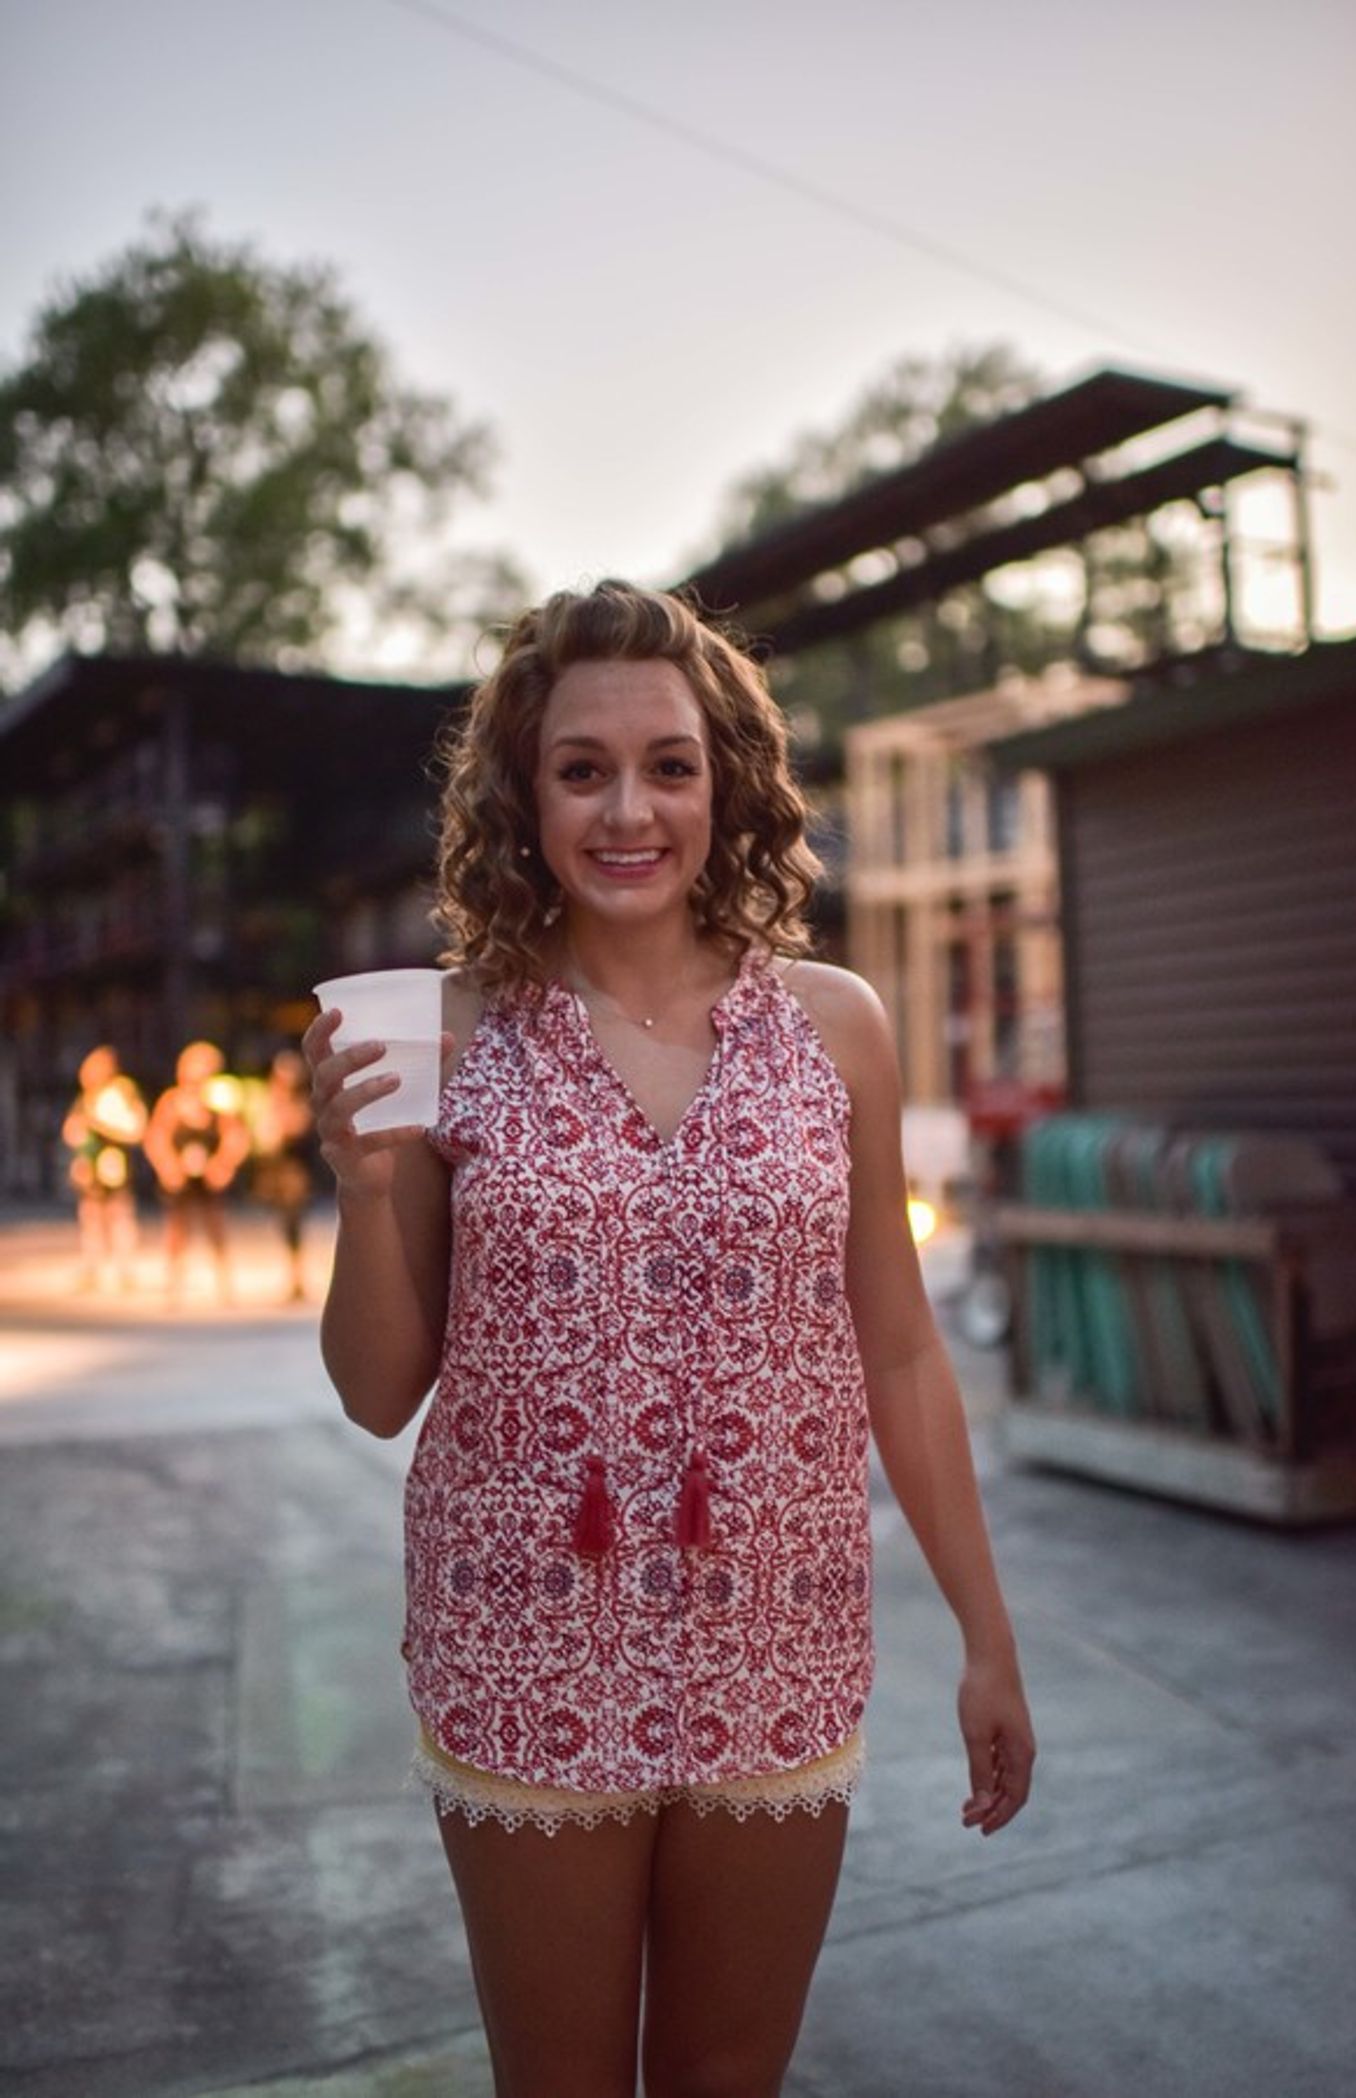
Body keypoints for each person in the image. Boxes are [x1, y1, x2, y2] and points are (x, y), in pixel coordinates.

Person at [305, 580, 1035, 2098]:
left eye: (670, 765)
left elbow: (897, 1349)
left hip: (782, 1627)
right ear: (525, 792)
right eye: (582, 768)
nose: (628, 808)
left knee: (725, 2075)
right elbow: (378, 1390)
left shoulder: (838, 1026)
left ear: (729, 786)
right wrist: (367, 1193)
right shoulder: (446, 1027)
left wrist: (987, 1634)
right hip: (523, 1639)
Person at [142, 1040, 249, 1302]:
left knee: (215, 1226)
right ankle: (174, 1282)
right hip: (180, 1174)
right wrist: (168, 1167)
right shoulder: (172, 1102)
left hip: (209, 1174)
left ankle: (224, 1282)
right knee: (177, 1229)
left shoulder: (219, 1100)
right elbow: (156, 1137)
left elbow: (236, 1136)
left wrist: (223, 1164)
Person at [62, 1044, 148, 1290]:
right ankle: (92, 1267)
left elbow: (134, 1128)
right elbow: (73, 1130)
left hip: (114, 1163)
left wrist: (101, 1125)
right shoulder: (87, 1097)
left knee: (119, 1215)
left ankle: (125, 1269)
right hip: (91, 1166)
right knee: (91, 1217)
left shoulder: (121, 1093)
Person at [249, 1047, 317, 1302]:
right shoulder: (265, 1099)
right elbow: (259, 1132)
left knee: (293, 1223)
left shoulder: (302, 1102)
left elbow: (297, 1129)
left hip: (293, 1170)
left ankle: (295, 1275)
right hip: (271, 1167)